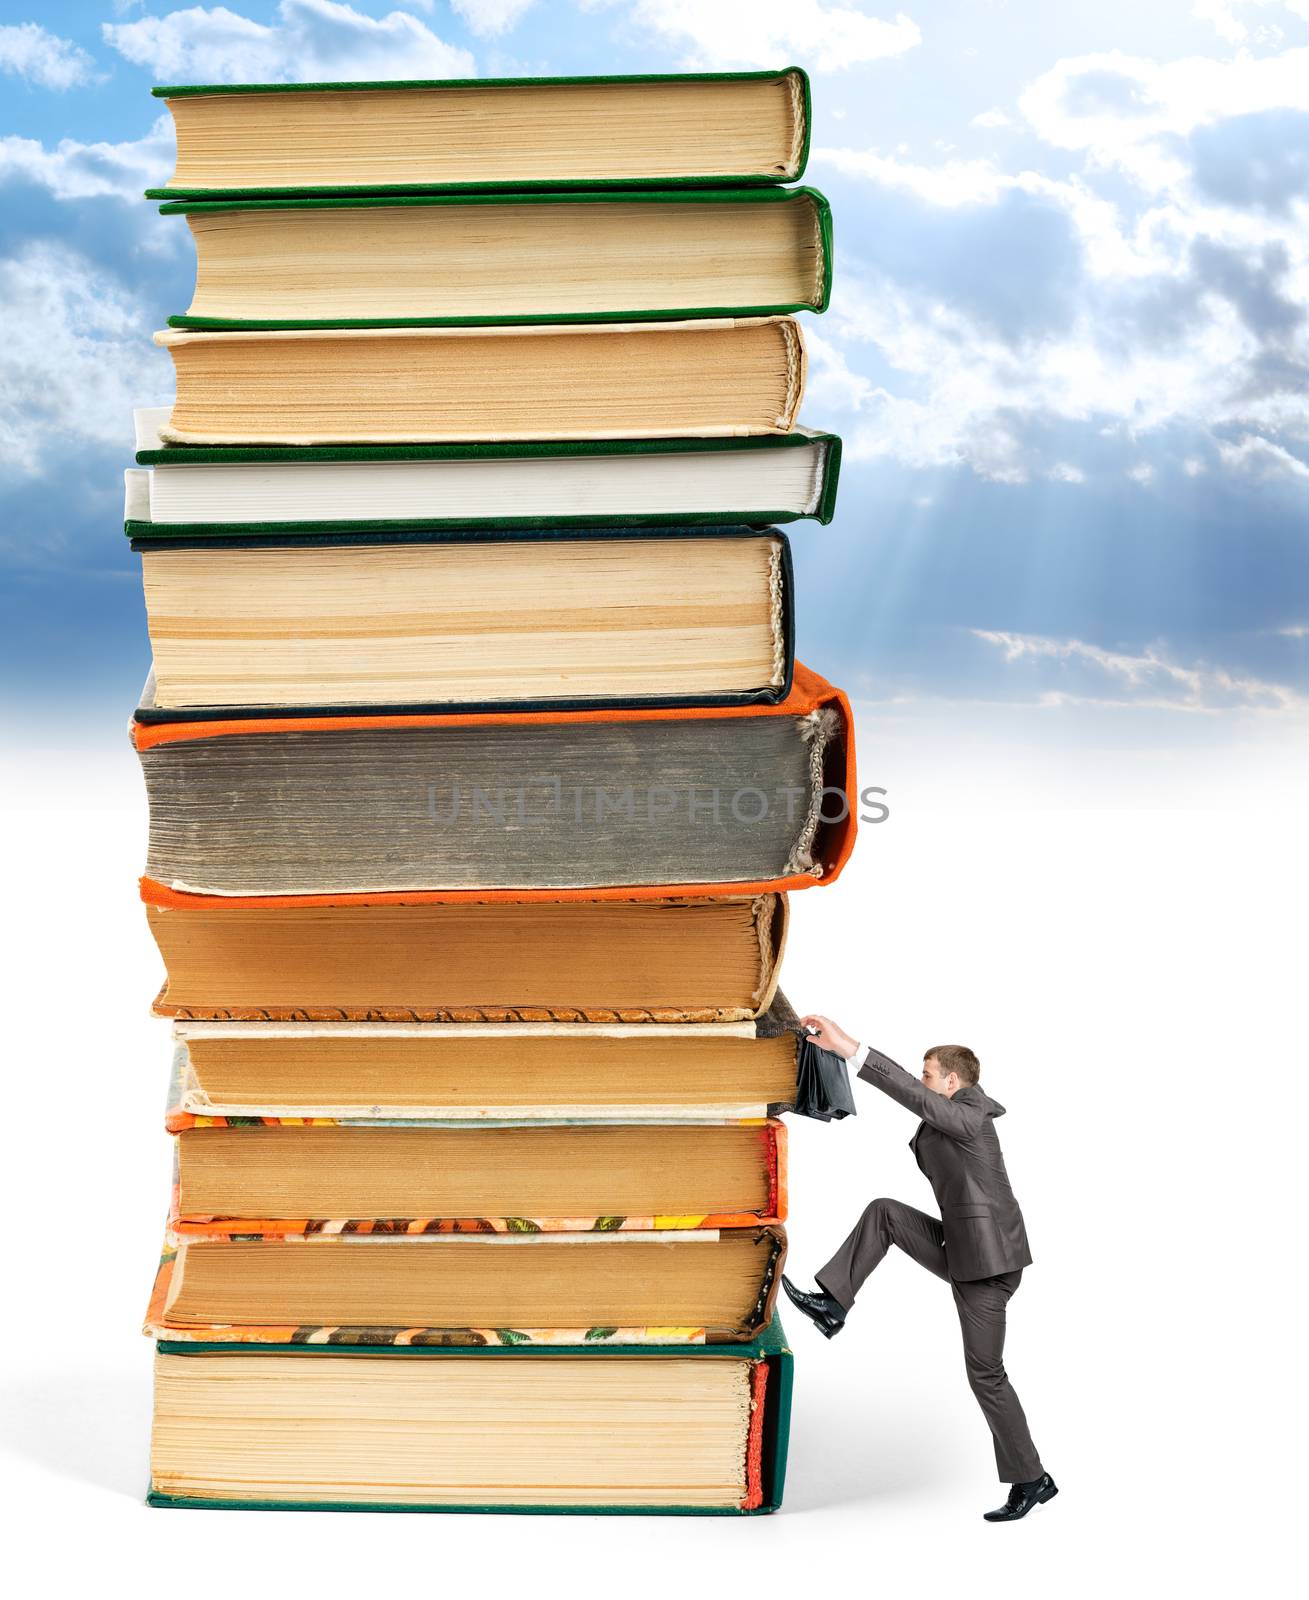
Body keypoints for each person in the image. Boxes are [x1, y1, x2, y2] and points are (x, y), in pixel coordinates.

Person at [782, 1017, 1057, 1523]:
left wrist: (851, 1049)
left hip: (987, 1266)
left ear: (952, 1082)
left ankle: (1032, 1479)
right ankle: (833, 1305)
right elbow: (925, 1110)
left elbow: (913, 1096)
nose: (923, 1078)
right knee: (885, 1212)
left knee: (986, 1375)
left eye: (929, 1073)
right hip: (963, 1249)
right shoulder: (951, 1115)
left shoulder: (971, 1114)